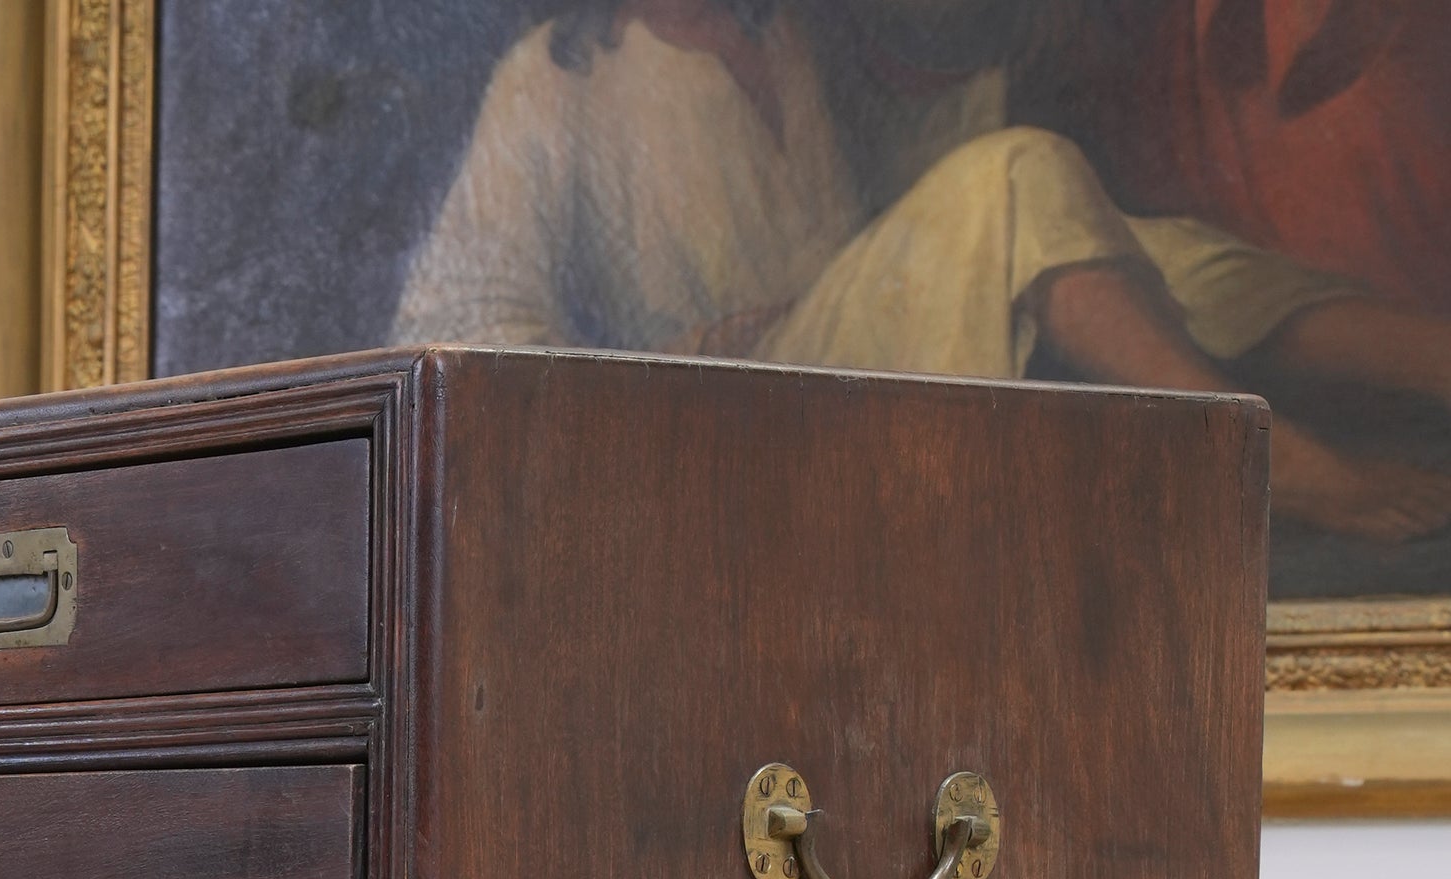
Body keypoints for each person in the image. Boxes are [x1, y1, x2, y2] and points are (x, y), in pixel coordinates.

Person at [393, 0, 1451, 539]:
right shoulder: (555, 78)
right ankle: (1261, 458)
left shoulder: (783, 40)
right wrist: (684, 354)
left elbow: (888, 200)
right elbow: (455, 325)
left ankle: (1431, 361)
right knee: (1021, 174)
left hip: (849, 340)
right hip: (739, 411)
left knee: (1123, 234)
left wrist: (1013, 73)